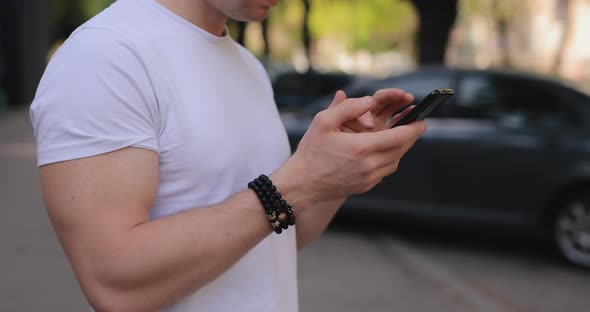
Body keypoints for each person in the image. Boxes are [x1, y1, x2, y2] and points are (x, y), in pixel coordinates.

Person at [29, 0, 426, 311]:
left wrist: (333, 175)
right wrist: (298, 182)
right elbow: (114, 283)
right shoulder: (106, 55)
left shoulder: (248, 66)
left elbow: (284, 236)